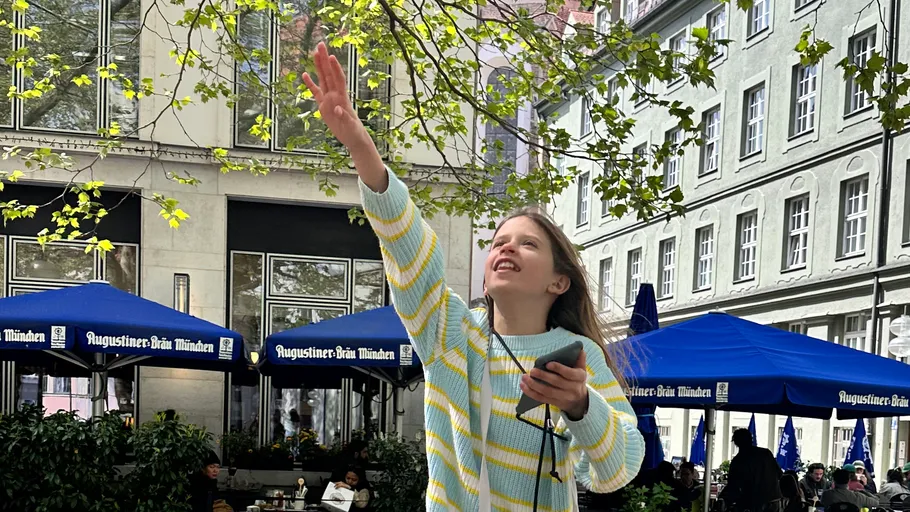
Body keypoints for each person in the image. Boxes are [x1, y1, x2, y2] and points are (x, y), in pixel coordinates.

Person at [301, 41, 645, 511]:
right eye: (499, 241)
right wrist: (362, 149)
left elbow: (617, 470)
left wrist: (582, 406)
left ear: (558, 281)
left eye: (528, 243)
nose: (505, 247)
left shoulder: (577, 357)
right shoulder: (450, 333)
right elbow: (410, 254)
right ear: (486, 278)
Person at [718, 429, 783, 512]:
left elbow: (733, 486)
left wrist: (723, 497)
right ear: (751, 439)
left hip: (753, 502)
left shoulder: (737, 461)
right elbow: (780, 474)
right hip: (773, 500)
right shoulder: (766, 453)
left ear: (736, 443)